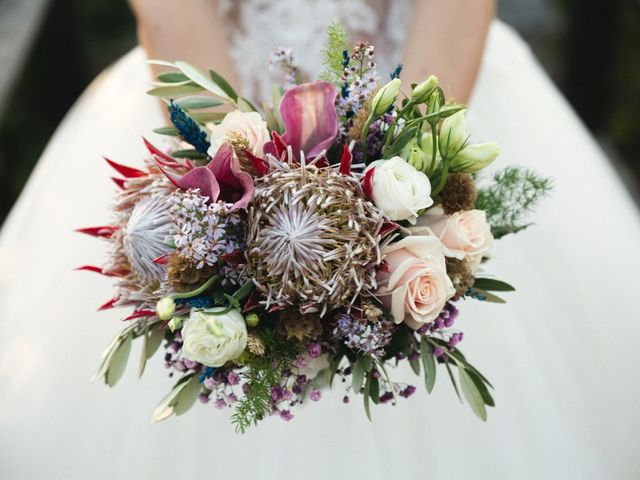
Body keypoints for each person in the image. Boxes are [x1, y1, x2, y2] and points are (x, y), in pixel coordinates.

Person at [1, 1, 639, 479]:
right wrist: (236, 208)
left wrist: (401, 190)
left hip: (429, 92)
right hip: (213, 97)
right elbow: (174, 15)